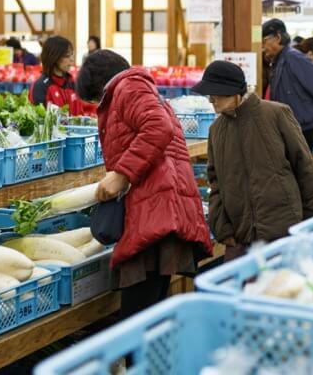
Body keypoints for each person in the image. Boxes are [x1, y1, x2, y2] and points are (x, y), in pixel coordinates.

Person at [75, 50, 212, 318]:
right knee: (149, 308)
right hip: (155, 204)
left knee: (137, 313)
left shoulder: (129, 86)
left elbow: (158, 127)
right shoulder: (134, 87)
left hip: (155, 206)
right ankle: (149, 359)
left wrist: (122, 173)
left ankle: (138, 360)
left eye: (95, 100)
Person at [192, 60, 313, 261]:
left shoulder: (276, 113)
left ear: (234, 92)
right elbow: (215, 181)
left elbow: (304, 166)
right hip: (240, 237)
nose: (211, 99)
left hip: (284, 231)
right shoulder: (216, 131)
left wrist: (310, 222)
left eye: (215, 93)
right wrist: (223, 230)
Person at [261, 19, 313, 151]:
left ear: (278, 38)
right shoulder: (279, 60)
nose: (262, 47)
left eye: (264, 41)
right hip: (289, 127)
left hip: (301, 130)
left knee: (300, 170)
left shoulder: (293, 58)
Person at [29, 36, 88, 115]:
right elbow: (39, 121)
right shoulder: (40, 86)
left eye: (72, 55)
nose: (72, 60)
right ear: (54, 57)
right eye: (67, 56)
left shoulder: (72, 83)